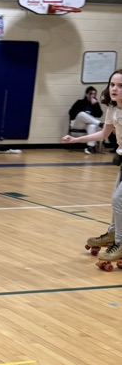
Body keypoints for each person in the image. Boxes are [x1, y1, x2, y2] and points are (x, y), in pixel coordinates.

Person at [62, 70, 122, 260]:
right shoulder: (113, 109)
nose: (114, 89)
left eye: (120, 86)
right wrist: (76, 140)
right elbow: (103, 134)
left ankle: (120, 243)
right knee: (117, 200)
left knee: (118, 199)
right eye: (112, 84)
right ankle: (113, 234)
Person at [68, 86, 103, 155]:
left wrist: (95, 105)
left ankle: (90, 147)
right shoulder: (79, 102)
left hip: (87, 124)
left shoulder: (95, 104)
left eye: (94, 94)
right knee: (82, 114)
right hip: (77, 123)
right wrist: (83, 114)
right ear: (86, 94)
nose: (92, 96)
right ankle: (100, 124)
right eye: (91, 94)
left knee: (92, 126)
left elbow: (99, 114)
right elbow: (71, 112)